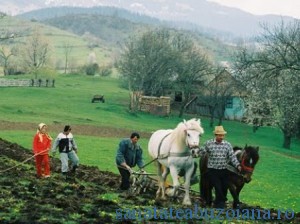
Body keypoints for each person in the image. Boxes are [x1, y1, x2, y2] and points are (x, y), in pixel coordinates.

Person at [200, 126, 242, 208]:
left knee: (224, 186)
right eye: (219, 135)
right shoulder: (209, 143)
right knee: (217, 186)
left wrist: (238, 165)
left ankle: (219, 203)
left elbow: (232, 157)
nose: (221, 137)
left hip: (223, 169)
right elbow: (201, 152)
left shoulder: (227, 145)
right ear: (215, 135)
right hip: (212, 170)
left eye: (222, 135)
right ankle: (222, 201)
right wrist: (196, 152)